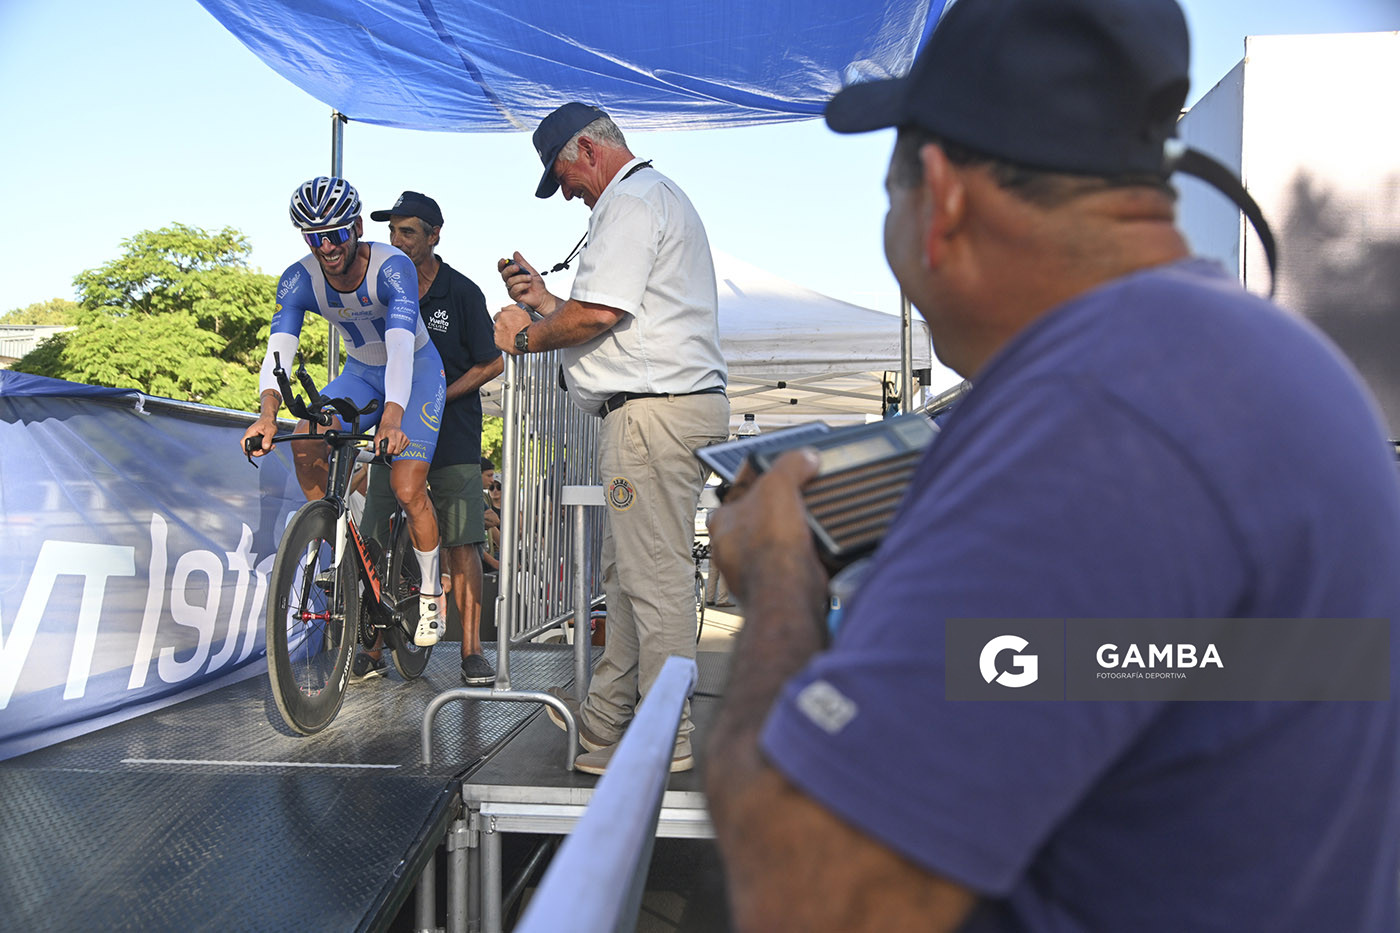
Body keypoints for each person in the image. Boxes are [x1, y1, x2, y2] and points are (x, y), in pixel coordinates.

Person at [704, 1, 1400, 931]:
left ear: (941, 198)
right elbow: (1127, 671)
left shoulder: (1099, 418)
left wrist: (779, 569)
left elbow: (808, 895)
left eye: (889, 196)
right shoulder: (1255, 358)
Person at [494, 102, 729, 775]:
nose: (565, 191)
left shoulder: (630, 202)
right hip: (663, 409)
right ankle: (607, 722)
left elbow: (601, 313)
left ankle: (665, 738)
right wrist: (544, 301)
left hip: (651, 415)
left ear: (588, 150)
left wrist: (525, 334)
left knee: (650, 581)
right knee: (627, 576)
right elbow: (617, 316)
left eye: (563, 175)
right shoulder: (652, 198)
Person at [242, 176, 447, 649]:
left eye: (335, 234)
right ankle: (343, 554)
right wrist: (267, 413)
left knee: (406, 485)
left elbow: (399, 351)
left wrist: (392, 419)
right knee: (308, 430)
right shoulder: (298, 279)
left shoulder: (392, 267)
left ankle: (433, 592)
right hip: (359, 374)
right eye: (315, 238)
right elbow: (278, 354)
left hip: (414, 373)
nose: (327, 247)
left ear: (356, 226)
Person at [354, 191, 504, 686]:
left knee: (463, 541)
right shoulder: (379, 288)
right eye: (392, 230)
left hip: (454, 435)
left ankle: (471, 651)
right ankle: (371, 648)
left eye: (408, 232)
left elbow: (493, 361)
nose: (396, 240)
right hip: (393, 432)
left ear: (434, 236)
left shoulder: (460, 292)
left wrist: (439, 396)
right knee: (371, 531)